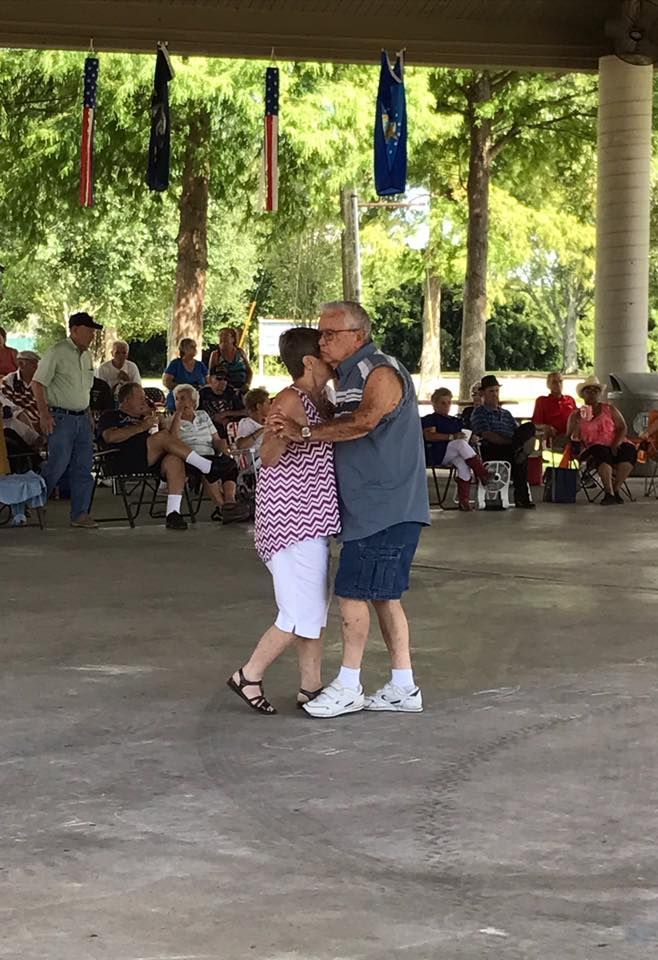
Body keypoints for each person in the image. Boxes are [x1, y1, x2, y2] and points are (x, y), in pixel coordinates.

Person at [270, 301, 430, 719]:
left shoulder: (380, 370)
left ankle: (348, 684)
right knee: (383, 597)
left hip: (386, 505)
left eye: (330, 334)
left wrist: (304, 432)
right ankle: (402, 685)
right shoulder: (346, 377)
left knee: (353, 594)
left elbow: (365, 422)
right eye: (320, 335)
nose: (322, 341)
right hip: (368, 508)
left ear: (358, 336)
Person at [227, 327, 341, 715]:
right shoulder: (291, 399)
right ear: (309, 362)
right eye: (325, 353)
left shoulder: (320, 399)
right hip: (292, 522)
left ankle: (310, 687)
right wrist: (284, 432)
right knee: (297, 613)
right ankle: (249, 675)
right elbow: (271, 454)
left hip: (314, 520)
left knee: (312, 609)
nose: (333, 357)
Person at [97, 382, 224, 530]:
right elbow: (110, 437)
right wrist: (142, 427)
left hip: (147, 459)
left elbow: (170, 441)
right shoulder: (110, 415)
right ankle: (206, 466)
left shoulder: (143, 418)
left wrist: (157, 420)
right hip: (121, 459)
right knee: (163, 437)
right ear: (126, 400)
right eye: (140, 398)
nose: (144, 401)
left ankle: (173, 513)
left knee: (174, 460)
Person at [31, 312, 103, 529]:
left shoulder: (87, 356)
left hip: (82, 417)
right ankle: (35, 501)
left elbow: (85, 389)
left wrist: (89, 413)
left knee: (83, 467)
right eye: (89, 330)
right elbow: (37, 383)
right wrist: (44, 414)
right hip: (61, 417)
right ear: (74, 330)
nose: (92, 335)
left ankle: (80, 514)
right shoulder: (57, 352)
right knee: (57, 463)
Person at [171, 384, 250, 523]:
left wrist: (225, 451)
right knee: (210, 470)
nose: (179, 402)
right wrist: (178, 415)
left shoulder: (203, 415)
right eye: (177, 399)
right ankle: (223, 508)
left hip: (210, 454)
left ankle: (229, 503)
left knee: (229, 464)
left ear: (194, 402)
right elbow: (172, 441)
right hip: (190, 457)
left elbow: (217, 439)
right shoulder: (171, 420)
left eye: (183, 398)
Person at [566, 376, 637, 505]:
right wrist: (576, 426)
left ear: (600, 394)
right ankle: (608, 492)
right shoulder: (576, 415)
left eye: (596, 391)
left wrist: (616, 444)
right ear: (583, 394)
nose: (592, 393)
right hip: (592, 448)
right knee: (600, 451)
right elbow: (570, 437)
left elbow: (622, 427)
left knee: (629, 450)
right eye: (588, 391)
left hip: (615, 443)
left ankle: (616, 489)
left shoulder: (610, 409)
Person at [470, 375, 536, 509]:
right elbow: (486, 434)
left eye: (496, 391)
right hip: (492, 448)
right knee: (519, 455)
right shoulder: (479, 413)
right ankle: (522, 498)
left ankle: (520, 451)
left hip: (511, 447)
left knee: (529, 427)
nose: (495, 394)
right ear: (483, 393)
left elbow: (518, 431)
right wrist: (513, 443)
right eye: (491, 391)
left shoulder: (506, 413)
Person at [421, 387, 491, 510]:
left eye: (449, 402)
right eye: (442, 403)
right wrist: (451, 437)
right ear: (434, 404)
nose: (446, 406)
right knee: (459, 444)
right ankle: (482, 473)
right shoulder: (430, 419)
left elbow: (463, 433)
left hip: (452, 453)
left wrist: (471, 437)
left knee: (464, 465)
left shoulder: (455, 420)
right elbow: (429, 435)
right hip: (435, 452)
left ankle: (464, 500)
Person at [532, 372, 576, 449]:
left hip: (572, 437)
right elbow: (535, 424)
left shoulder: (570, 399)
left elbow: (578, 418)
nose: (558, 384)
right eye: (554, 382)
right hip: (554, 438)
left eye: (560, 381)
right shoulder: (542, 401)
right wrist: (546, 427)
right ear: (548, 385)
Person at [163, 338, 208, 412]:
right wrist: (185, 388)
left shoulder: (200, 365)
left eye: (195, 347)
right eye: (192, 347)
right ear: (184, 349)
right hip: (178, 399)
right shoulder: (175, 364)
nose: (195, 349)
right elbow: (167, 382)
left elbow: (208, 382)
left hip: (197, 399)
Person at [198, 365, 246, 432]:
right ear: (209, 379)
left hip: (232, 429)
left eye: (225, 379)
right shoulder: (202, 394)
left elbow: (245, 412)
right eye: (219, 378)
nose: (223, 382)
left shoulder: (231, 392)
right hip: (209, 430)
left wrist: (225, 414)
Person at [0, 350, 40, 429]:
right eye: (35, 365)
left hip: (43, 422)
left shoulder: (40, 381)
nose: (38, 369)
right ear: (21, 364)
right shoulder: (9, 381)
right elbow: (9, 407)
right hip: (23, 426)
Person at [208, 327, 253, 394]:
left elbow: (249, 371)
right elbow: (211, 374)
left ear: (233, 339)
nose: (222, 337)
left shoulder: (240, 352)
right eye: (220, 335)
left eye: (225, 335)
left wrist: (247, 384)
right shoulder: (216, 354)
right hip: (224, 389)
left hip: (242, 387)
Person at [235, 387, 270, 463]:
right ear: (259, 406)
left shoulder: (270, 421)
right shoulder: (246, 423)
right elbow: (241, 446)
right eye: (268, 403)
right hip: (257, 462)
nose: (271, 406)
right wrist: (262, 430)